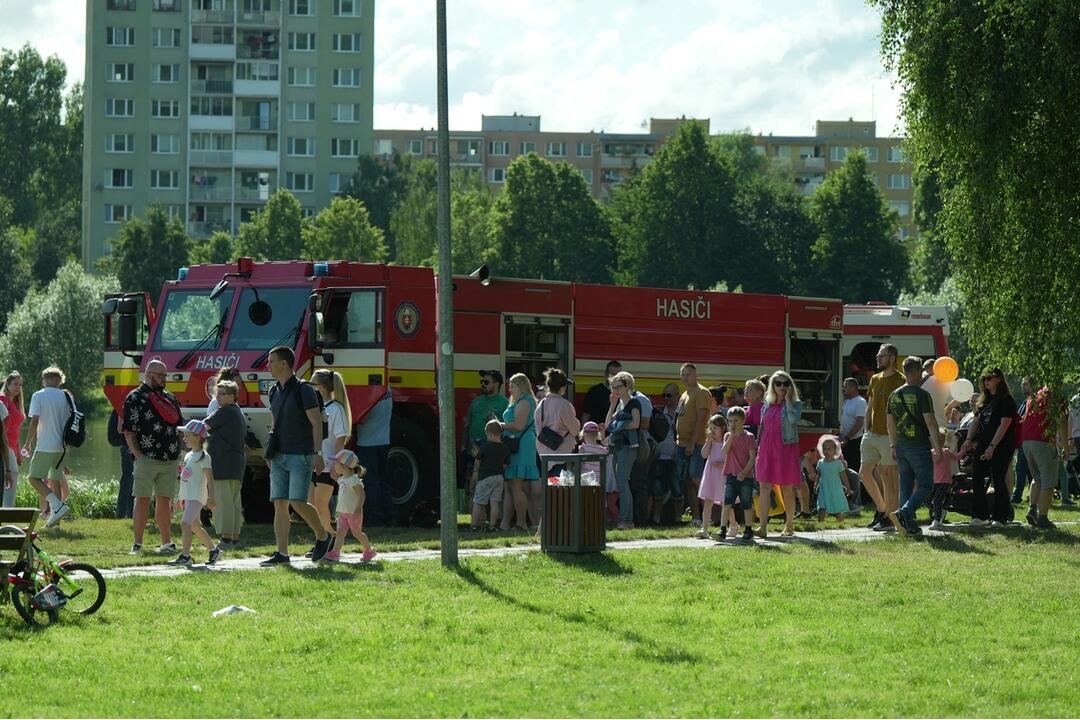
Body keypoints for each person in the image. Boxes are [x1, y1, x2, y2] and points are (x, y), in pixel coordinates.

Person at [260, 346, 332, 566]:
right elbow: (275, 423)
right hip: (279, 454)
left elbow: (316, 423)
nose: (268, 365)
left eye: (271, 361)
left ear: (284, 363)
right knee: (279, 503)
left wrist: (318, 453)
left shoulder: (304, 390)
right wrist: (269, 451)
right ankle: (282, 553)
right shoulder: (274, 391)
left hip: (301, 454)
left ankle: (323, 535)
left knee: (298, 502)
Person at [123, 360, 181, 552]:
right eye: (161, 376)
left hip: (170, 457)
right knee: (142, 499)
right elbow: (128, 430)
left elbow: (179, 425)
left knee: (165, 500)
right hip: (146, 457)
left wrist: (179, 451)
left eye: (166, 376)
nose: (165, 379)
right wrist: (138, 454)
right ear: (148, 374)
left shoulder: (170, 397)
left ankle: (166, 542)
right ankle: (138, 544)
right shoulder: (135, 397)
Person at [886, 356, 945, 537]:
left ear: (905, 372)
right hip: (918, 446)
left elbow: (890, 423)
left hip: (901, 447)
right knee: (926, 485)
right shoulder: (922, 395)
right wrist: (938, 448)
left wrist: (893, 445)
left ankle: (908, 526)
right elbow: (931, 423)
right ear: (918, 371)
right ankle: (903, 514)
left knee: (905, 486)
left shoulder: (894, 395)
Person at [961, 368, 1017, 526]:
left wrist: (992, 446)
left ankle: (1001, 516)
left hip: (1002, 444)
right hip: (984, 443)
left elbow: (1004, 424)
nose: (986, 381)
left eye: (989, 378)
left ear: (999, 378)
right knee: (977, 476)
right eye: (984, 379)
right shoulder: (984, 401)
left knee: (998, 478)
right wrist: (969, 438)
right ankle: (980, 516)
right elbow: (976, 421)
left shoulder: (1006, 399)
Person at [860, 344, 906, 531]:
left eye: (882, 356)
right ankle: (882, 509)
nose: (878, 359)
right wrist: (866, 431)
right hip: (871, 434)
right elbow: (870, 406)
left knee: (889, 477)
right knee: (864, 474)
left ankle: (890, 518)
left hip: (889, 435)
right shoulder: (875, 379)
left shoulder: (900, 380)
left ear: (893, 357)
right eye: (878, 356)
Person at [22, 367, 75, 528]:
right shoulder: (67, 397)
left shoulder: (38, 395)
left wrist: (27, 442)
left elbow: (35, 420)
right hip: (62, 446)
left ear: (44, 380)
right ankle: (55, 522)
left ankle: (57, 506)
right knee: (55, 480)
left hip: (45, 444)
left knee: (33, 478)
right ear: (60, 381)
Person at [754, 370, 803, 538]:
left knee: (787, 488)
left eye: (786, 383)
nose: (782, 387)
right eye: (778, 383)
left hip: (785, 449)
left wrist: (788, 400)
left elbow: (793, 420)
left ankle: (789, 525)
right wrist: (757, 448)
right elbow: (762, 427)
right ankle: (762, 527)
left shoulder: (795, 404)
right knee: (764, 487)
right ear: (772, 386)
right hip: (766, 449)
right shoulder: (766, 404)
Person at [309, 369, 352, 550]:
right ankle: (322, 538)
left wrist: (336, 462)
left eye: (312, 385)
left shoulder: (336, 409)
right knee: (311, 504)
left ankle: (328, 537)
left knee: (320, 504)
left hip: (327, 465)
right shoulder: (317, 408)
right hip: (313, 463)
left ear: (322, 387)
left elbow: (340, 437)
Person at [167, 420, 221, 567]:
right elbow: (185, 478)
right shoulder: (189, 455)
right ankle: (214, 550)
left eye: (186, 435)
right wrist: (181, 497)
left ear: (197, 437)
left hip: (197, 496)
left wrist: (212, 498)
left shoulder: (204, 457)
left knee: (185, 523)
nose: (183, 438)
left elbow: (210, 479)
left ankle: (185, 556)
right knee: (194, 526)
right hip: (189, 496)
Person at [204, 379, 247, 547]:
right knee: (234, 502)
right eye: (217, 393)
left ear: (232, 396)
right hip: (235, 463)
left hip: (224, 463)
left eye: (222, 394)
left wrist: (182, 429)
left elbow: (203, 426)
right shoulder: (236, 411)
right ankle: (234, 536)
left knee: (223, 502)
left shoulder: (225, 412)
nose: (218, 397)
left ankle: (226, 538)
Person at [1018, 385, 1067, 530]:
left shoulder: (1034, 395)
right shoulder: (1055, 394)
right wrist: (1066, 445)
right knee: (1049, 481)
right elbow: (1062, 419)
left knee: (1037, 478)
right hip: (1043, 441)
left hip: (1026, 441)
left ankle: (1032, 509)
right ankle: (1043, 519)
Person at [500, 373, 538, 531]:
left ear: (521, 385)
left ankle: (521, 523)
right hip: (519, 444)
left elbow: (518, 425)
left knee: (516, 485)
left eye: (512, 386)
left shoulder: (525, 402)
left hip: (521, 444)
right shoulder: (520, 401)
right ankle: (505, 523)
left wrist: (500, 425)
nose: (510, 389)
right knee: (510, 485)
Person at [675, 363, 712, 526]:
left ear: (696, 375)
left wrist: (691, 443)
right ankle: (696, 517)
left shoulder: (702, 392)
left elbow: (702, 419)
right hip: (681, 443)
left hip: (695, 443)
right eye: (683, 374)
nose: (685, 377)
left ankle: (712, 514)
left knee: (696, 478)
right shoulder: (684, 394)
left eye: (688, 374)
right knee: (687, 481)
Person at [324, 449, 376, 563]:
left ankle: (369, 550)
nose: (334, 465)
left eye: (336, 463)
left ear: (344, 466)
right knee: (340, 533)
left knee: (357, 533)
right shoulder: (343, 478)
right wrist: (334, 476)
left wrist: (358, 508)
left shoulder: (354, 480)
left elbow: (361, 494)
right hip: (342, 512)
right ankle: (335, 553)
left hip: (353, 513)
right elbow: (340, 482)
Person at [606, 371, 642, 530]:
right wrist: (612, 404)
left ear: (627, 385)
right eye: (613, 388)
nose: (615, 391)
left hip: (628, 447)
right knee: (621, 482)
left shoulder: (634, 402)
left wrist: (619, 426)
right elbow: (608, 424)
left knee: (622, 481)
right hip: (619, 447)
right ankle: (625, 519)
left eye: (618, 387)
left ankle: (626, 520)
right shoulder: (620, 404)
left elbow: (636, 423)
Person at [462, 370, 509, 486]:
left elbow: (507, 429)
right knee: (471, 482)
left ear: (497, 384)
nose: (483, 384)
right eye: (482, 381)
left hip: (492, 450)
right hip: (473, 447)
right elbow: (467, 425)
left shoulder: (505, 403)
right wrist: (463, 446)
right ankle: (472, 503)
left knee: (489, 483)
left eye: (486, 382)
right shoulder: (476, 401)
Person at [534, 367, 581, 481]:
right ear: (562, 388)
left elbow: (538, 429)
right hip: (561, 456)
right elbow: (575, 430)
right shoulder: (564, 405)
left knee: (548, 492)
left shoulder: (541, 405)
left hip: (544, 456)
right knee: (560, 493)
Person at [356, 387, 394, 526]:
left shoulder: (372, 392)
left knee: (370, 482)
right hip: (384, 441)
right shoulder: (387, 390)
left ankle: (374, 516)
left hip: (367, 443)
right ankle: (389, 514)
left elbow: (362, 417)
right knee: (383, 480)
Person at [722, 406, 757, 543]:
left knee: (746, 503)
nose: (732, 424)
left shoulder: (749, 437)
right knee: (727, 503)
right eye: (730, 421)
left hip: (745, 476)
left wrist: (744, 472)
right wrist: (730, 436)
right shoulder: (727, 436)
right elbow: (724, 451)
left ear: (743, 421)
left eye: (735, 420)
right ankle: (723, 528)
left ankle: (748, 529)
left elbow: (752, 458)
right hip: (731, 474)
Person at [649, 383, 681, 525]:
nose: (666, 398)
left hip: (676, 455)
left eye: (669, 395)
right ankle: (656, 519)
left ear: (677, 396)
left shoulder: (682, 414)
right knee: (658, 490)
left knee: (677, 490)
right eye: (664, 395)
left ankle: (678, 519)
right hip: (660, 456)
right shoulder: (659, 413)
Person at [469, 419, 509, 531]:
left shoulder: (485, 447)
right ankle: (492, 526)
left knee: (478, 502)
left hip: (485, 477)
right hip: (499, 477)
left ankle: (474, 525)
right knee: (495, 502)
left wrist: (475, 473)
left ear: (490, 434)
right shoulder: (505, 448)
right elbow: (505, 465)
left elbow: (477, 462)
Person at [696, 414, 729, 539]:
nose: (712, 431)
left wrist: (722, 464)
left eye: (715, 428)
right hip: (710, 475)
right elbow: (704, 455)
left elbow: (729, 458)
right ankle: (704, 528)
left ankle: (733, 525)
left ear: (723, 428)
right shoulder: (710, 442)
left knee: (725, 502)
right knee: (708, 500)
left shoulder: (726, 441)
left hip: (722, 475)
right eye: (710, 428)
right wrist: (707, 441)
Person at [929, 429, 965, 531]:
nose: (939, 441)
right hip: (934, 482)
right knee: (927, 500)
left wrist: (964, 450)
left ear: (944, 440)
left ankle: (936, 521)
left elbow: (957, 457)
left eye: (941, 439)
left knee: (937, 500)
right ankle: (940, 511)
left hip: (945, 481)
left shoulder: (946, 452)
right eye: (937, 439)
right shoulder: (930, 453)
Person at [0, 372, 24, 507]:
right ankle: (8, 514)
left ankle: (7, 513)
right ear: (7, 384)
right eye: (15, 384)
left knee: (11, 480)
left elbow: (16, 430)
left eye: (20, 385)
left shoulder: (13, 402)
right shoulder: (2, 400)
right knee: (10, 480)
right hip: (5, 446)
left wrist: (19, 451)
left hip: (12, 448)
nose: (18, 387)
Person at [814, 436, 850, 524]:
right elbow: (818, 475)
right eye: (824, 449)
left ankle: (841, 523)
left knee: (836, 509)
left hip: (835, 489)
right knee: (821, 507)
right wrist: (816, 485)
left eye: (829, 449)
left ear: (835, 450)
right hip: (823, 489)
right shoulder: (820, 463)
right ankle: (820, 524)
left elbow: (843, 476)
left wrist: (848, 487)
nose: (826, 451)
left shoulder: (838, 463)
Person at [107, 409, 135, 518]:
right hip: (128, 445)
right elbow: (120, 428)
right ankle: (122, 513)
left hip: (129, 445)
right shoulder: (124, 404)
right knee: (128, 479)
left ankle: (129, 513)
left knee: (131, 480)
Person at [1011, 377, 1034, 504]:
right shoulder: (1025, 403)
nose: (1023, 386)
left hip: (1031, 440)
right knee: (1022, 469)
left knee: (1026, 469)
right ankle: (1021, 495)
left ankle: (1019, 496)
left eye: (1025, 384)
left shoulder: (1035, 402)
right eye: (1022, 384)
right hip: (1023, 441)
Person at [839, 378, 866, 474]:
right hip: (845, 440)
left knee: (854, 468)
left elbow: (859, 422)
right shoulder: (847, 401)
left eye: (846, 386)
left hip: (855, 441)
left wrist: (847, 437)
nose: (844, 388)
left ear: (854, 387)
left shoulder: (860, 402)